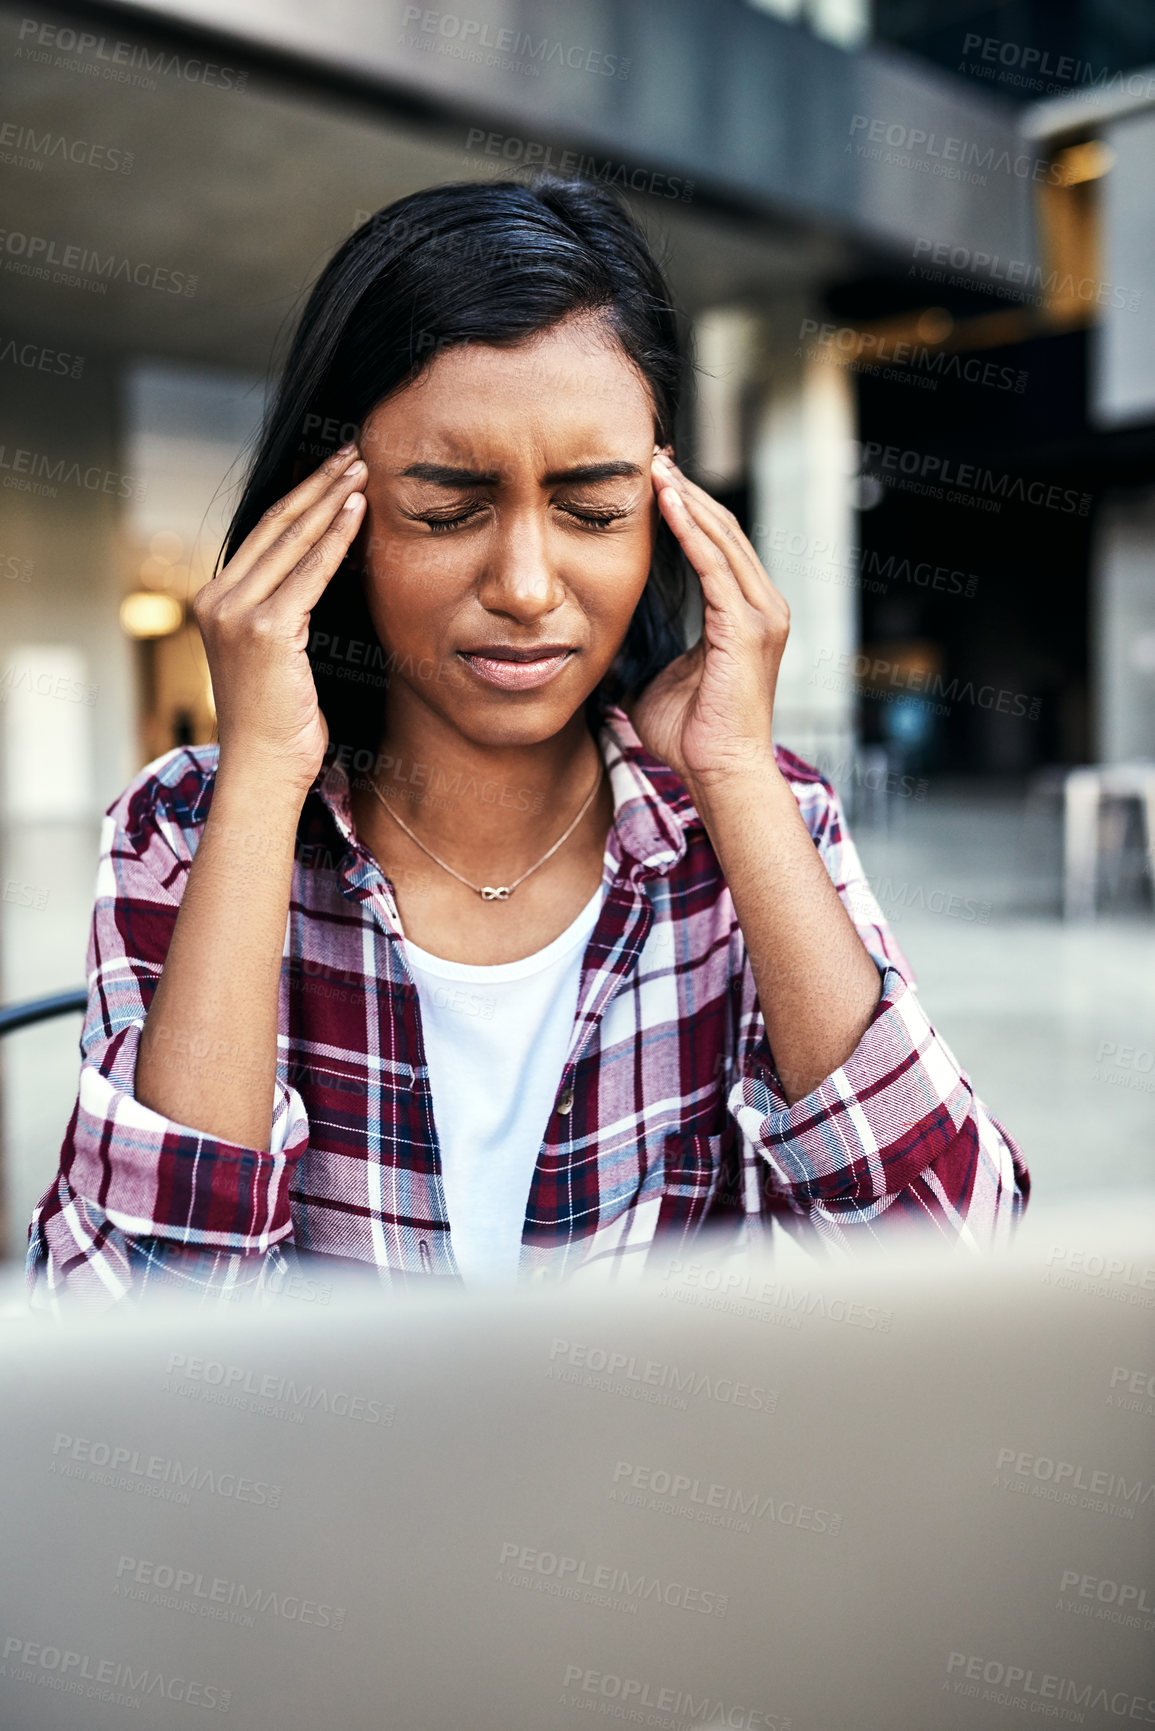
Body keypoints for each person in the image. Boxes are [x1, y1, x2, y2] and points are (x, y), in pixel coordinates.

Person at [27, 176, 1028, 1309]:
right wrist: (260, 780)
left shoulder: (755, 820)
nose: (526, 586)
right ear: (332, 520)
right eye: (448, 509)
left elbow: (959, 1270)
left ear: (668, 517)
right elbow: (130, 1335)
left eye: (594, 511)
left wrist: (739, 780)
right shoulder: (185, 833)